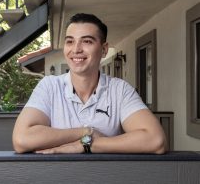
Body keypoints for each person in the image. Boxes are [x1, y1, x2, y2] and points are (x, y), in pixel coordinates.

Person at [12, 13, 167, 154]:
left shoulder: (120, 90)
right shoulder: (49, 86)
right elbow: (21, 140)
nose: (76, 49)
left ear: (104, 49)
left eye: (86, 41)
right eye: (70, 41)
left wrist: (86, 145)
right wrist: (86, 132)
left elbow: (156, 141)